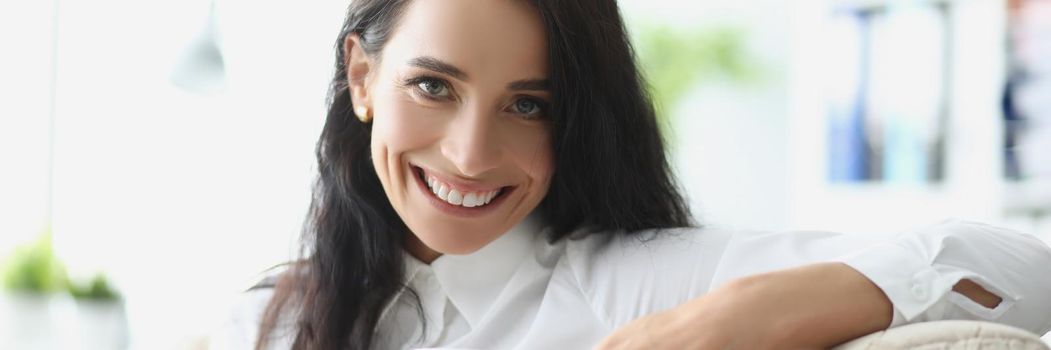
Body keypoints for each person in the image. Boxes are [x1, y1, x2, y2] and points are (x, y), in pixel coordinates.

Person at [210, 0, 1051, 349]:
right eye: (433, 86)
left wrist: (720, 321)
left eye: (528, 105)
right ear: (361, 79)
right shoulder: (267, 320)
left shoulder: (633, 283)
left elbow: (1024, 270)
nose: (469, 154)